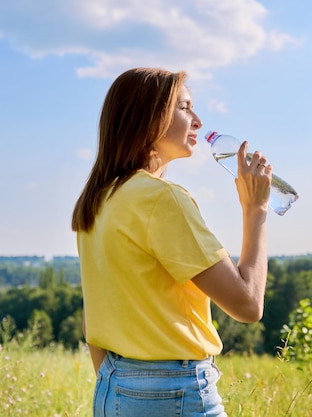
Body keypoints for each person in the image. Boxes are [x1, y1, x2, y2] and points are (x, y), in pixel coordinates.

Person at [71, 67, 272, 416]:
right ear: (147, 119)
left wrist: (122, 382)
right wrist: (255, 210)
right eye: (184, 107)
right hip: (176, 393)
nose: (197, 120)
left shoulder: (98, 199)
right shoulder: (162, 199)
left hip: (112, 388)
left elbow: (93, 317)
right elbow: (248, 304)